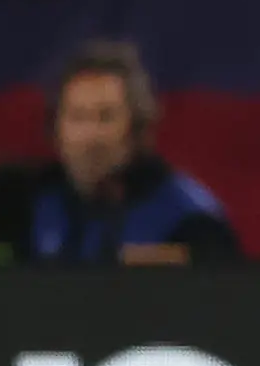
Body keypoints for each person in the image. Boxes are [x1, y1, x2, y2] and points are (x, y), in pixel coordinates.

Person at [16, 40, 240, 264]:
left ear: (136, 128)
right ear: (56, 128)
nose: (90, 136)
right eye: (78, 117)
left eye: (106, 117)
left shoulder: (189, 217)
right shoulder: (35, 203)